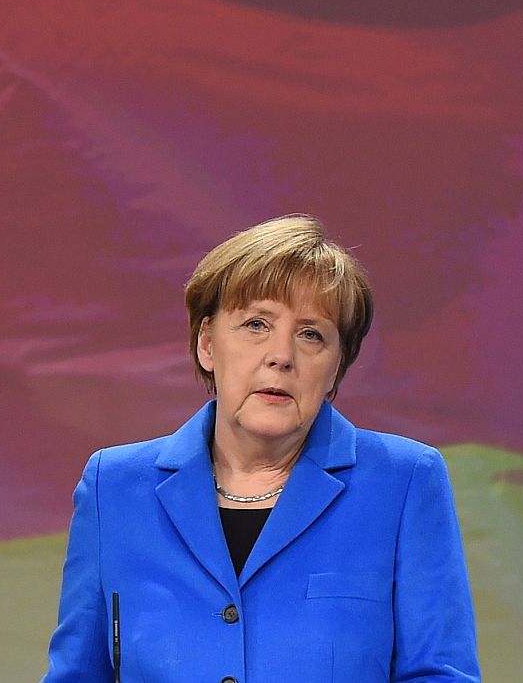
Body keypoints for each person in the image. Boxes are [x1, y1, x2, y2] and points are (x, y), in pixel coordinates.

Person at [43, 215, 480, 682]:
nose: (281, 355)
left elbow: (440, 674)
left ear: (336, 368)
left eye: (312, 333)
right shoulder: (113, 487)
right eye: (256, 324)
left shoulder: (404, 481)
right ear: (207, 344)